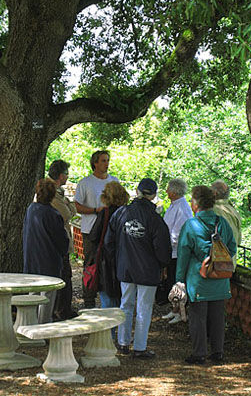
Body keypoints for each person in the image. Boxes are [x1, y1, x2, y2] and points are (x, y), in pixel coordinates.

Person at [105, 178, 172, 358]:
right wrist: (162, 265)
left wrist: (118, 260)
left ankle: (123, 342)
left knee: (125, 304)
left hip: (125, 268)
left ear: (137, 191)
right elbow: (163, 249)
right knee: (144, 308)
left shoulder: (121, 213)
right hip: (148, 271)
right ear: (153, 196)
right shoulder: (156, 220)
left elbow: (108, 242)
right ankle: (140, 347)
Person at [176, 185, 236, 365]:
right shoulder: (222, 222)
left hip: (199, 278)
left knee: (198, 317)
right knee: (218, 317)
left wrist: (179, 280)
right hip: (220, 276)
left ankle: (199, 353)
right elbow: (232, 247)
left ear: (196, 203)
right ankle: (218, 352)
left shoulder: (191, 225)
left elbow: (183, 254)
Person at [74, 150, 119, 308]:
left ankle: (111, 298)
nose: (106, 163)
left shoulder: (114, 181)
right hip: (90, 231)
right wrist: (95, 211)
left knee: (111, 264)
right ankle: (89, 301)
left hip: (110, 230)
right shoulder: (85, 182)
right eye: (103, 161)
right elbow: (77, 206)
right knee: (91, 265)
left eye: (107, 160)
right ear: (95, 163)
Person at [23, 178, 69, 324]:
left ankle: (30, 324)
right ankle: (43, 327)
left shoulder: (31, 210)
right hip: (49, 261)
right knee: (47, 297)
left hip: (32, 258)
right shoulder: (53, 214)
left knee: (33, 293)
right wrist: (64, 251)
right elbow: (61, 240)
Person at [88, 181, 129, 309]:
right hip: (124, 260)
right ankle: (120, 328)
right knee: (121, 298)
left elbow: (93, 236)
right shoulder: (127, 213)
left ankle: (110, 328)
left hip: (105, 261)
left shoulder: (104, 213)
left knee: (106, 300)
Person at [48, 160, 78, 321]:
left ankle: (62, 309)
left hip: (58, 242)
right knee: (63, 276)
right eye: (67, 173)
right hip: (58, 243)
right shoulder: (53, 193)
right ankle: (61, 311)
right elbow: (67, 214)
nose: (68, 176)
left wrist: (69, 205)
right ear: (61, 175)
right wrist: (69, 205)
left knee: (65, 275)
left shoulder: (56, 191)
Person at [162, 178, 193, 324]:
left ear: (174, 191)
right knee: (172, 282)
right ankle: (174, 310)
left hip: (176, 252)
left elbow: (178, 232)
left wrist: (168, 245)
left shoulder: (182, 207)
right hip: (170, 250)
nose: (166, 191)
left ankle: (180, 312)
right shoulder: (175, 205)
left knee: (177, 283)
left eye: (168, 188)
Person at [211, 179, 242, 270]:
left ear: (214, 193)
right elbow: (238, 241)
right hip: (230, 264)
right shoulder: (233, 211)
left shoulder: (213, 211)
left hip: (216, 265)